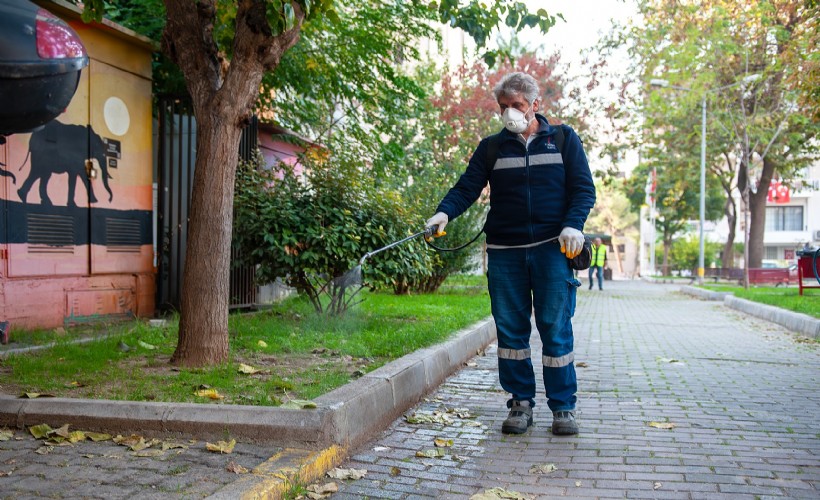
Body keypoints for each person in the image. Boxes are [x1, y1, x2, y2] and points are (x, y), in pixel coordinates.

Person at [426, 72, 596, 436]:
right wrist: (443, 213)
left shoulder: (564, 140)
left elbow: (584, 190)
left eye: (517, 106)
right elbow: (467, 187)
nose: (509, 113)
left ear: (535, 105)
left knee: (554, 327)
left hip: (553, 250)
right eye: (503, 107)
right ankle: (520, 403)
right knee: (511, 332)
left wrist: (573, 224)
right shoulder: (492, 148)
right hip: (505, 252)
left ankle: (563, 407)